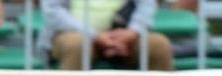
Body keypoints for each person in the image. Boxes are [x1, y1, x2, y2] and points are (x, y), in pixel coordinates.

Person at [38, 0, 173, 71]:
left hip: (124, 36)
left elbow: (146, 5)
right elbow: (53, 11)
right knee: (78, 44)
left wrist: (133, 32)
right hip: (73, 34)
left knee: (158, 45)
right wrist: (94, 35)